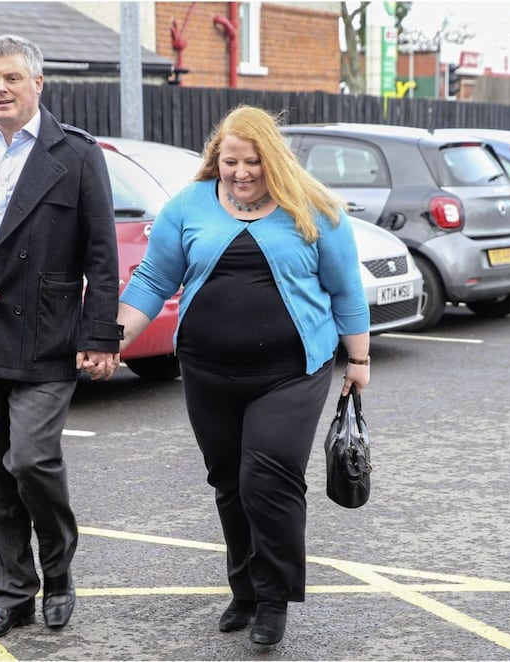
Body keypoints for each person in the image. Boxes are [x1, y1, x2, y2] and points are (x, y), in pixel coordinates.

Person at [116, 105, 370, 646]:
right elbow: (153, 278)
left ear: (272, 158)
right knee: (228, 482)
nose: (240, 172)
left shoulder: (313, 207)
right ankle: (245, 589)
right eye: (230, 161)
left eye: (252, 161)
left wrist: (359, 359)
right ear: (216, 159)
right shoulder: (189, 205)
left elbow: (346, 286)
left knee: (268, 477)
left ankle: (275, 597)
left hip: (291, 371)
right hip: (208, 372)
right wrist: (111, 342)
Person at [0, 34, 123, 640]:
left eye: (11, 78)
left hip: (47, 334)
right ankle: (11, 596)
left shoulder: (80, 155)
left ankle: (58, 573)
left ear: (39, 84)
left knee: (31, 460)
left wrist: (101, 336)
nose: (0, 89)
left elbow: (102, 254)